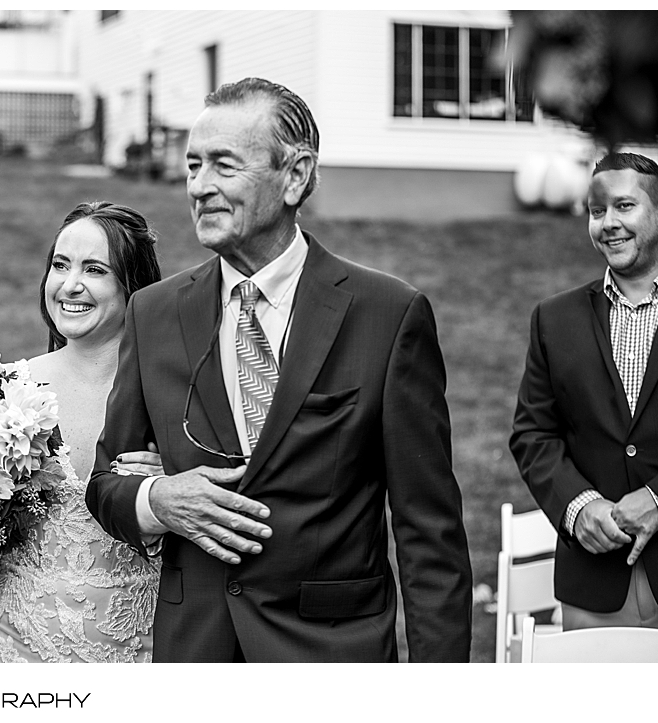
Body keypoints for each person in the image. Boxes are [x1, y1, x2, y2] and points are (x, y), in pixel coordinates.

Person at [86, 78, 473, 663]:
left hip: (333, 654)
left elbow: (428, 533)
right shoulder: (155, 313)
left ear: (294, 176)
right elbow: (105, 485)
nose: (199, 186)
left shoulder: (387, 315)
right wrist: (158, 498)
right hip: (198, 654)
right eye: (193, 166)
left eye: (223, 165)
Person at [0, 201, 164, 663]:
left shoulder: (171, 398)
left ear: (132, 286)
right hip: (14, 658)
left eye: (95, 269)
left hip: (135, 657)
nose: (69, 284)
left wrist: (169, 487)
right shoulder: (1, 391)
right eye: (60, 265)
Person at [511, 152, 658, 630]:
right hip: (592, 585)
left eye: (624, 206)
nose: (608, 224)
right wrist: (578, 507)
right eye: (597, 212)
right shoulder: (554, 319)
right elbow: (533, 434)